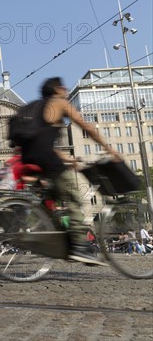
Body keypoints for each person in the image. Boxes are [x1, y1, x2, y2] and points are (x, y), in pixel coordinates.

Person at [22, 77, 120, 266]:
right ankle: (79, 248)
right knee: (75, 199)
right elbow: (86, 126)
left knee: (50, 203)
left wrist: (69, 159)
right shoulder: (59, 103)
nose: (66, 90)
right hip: (47, 160)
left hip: (31, 158)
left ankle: (57, 242)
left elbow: (43, 144)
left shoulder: (38, 108)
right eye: (64, 88)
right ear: (57, 89)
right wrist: (110, 150)